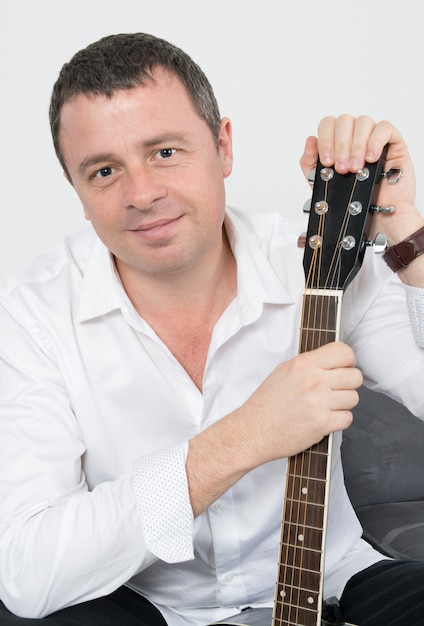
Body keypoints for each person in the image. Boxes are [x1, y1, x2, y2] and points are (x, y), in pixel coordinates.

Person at [0, 32, 424, 626]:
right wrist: (245, 436)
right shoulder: (34, 314)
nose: (142, 194)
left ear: (223, 147)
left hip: (331, 578)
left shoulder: (317, 263)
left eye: (165, 152)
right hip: (149, 600)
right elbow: (25, 572)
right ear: (77, 189)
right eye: (103, 170)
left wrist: (408, 235)